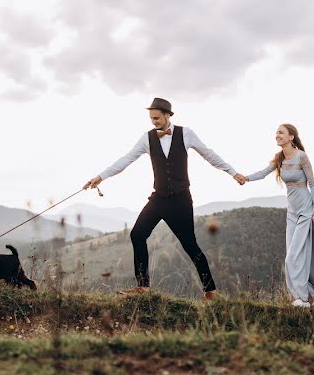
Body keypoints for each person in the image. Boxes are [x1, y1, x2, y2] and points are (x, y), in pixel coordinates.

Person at [83, 97, 241, 300]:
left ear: (168, 115)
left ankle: (210, 292)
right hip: (158, 199)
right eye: (151, 118)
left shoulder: (186, 134)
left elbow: (209, 155)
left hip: (181, 200)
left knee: (190, 244)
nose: (154, 122)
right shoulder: (147, 138)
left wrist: (233, 172)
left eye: (157, 118)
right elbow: (126, 159)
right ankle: (143, 286)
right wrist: (100, 177)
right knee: (137, 235)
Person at [234, 123, 314, 307]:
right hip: (291, 212)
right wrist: (246, 178)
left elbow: (312, 182)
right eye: (276, 132)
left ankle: (301, 299)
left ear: (291, 137)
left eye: (281, 132)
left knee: (292, 258)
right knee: (296, 256)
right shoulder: (279, 158)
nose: (277, 135)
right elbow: (263, 173)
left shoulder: (302, 156)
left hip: (305, 210)